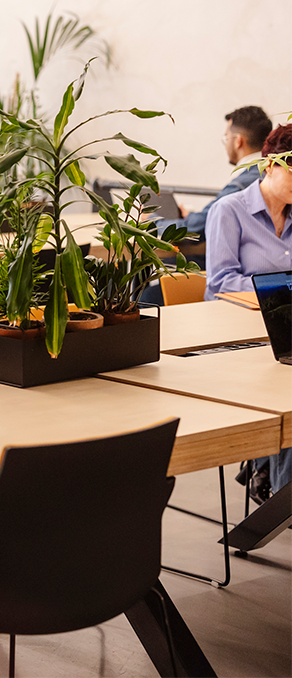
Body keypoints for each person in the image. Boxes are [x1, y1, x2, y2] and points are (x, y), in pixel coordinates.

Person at [206, 123, 292, 497]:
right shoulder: (231, 210)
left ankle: (269, 473)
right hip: (238, 335)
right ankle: (276, 483)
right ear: (270, 164)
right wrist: (277, 291)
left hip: (284, 332)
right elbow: (220, 284)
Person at [159, 106, 272, 242]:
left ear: (238, 141)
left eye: (226, 138)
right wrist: (192, 217)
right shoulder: (271, 173)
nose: (225, 145)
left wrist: (154, 223)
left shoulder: (245, 183)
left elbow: (199, 229)